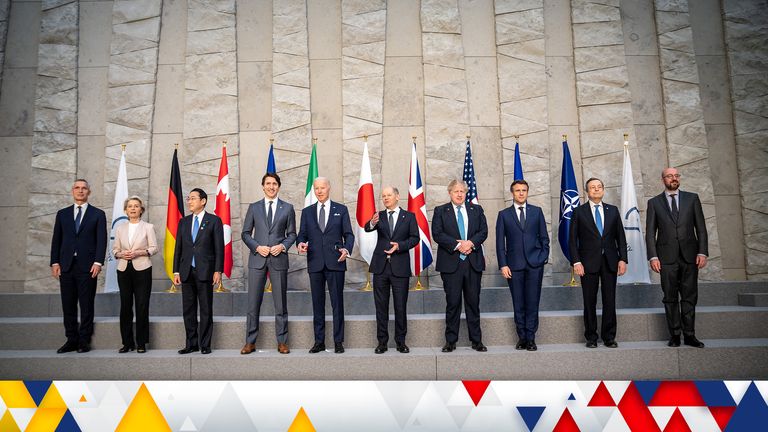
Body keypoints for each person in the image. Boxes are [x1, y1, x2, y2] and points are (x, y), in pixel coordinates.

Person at [646, 167, 708, 348]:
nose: (673, 178)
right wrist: (653, 257)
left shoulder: (692, 198)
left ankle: (690, 335)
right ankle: (674, 335)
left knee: (689, 297)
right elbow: (650, 233)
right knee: (670, 297)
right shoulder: (654, 203)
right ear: (663, 179)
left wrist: (702, 252)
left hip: (690, 257)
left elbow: (701, 228)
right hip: (666, 258)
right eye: (669, 176)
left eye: (676, 175)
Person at [297, 177, 355, 354]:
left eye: (322, 188)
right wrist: (300, 244)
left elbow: (349, 235)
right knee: (317, 304)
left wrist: (347, 249)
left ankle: (338, 341)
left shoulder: (341, 209)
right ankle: (319, 341)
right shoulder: (307, 212)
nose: (319, 191)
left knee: (337, 303)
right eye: (316, 188)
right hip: (315, 262)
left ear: (329, 188)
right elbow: (302, 235)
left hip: (336, 262)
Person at [241, 173, 297, 355]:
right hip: (258, 259)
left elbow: (292, 235)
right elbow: (246, 233)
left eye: (274, 184)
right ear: (263, 186)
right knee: (252, 304)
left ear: (279, 186)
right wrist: (257, 247)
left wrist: (282, 246)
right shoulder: (254, 207)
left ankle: (282, 341)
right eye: (268, 183)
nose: (271, 187)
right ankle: (250, 342)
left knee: (280, 304)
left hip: (278, 259)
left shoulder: (288, 208)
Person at [569, 177, 627, 348]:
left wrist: (623, 259)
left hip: (610, 261)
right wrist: (576, 262)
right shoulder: (579, 212)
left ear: (603, 189)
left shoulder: (613, 211)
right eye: (592, 187)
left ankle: (609, 337)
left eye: (599, 187)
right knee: (589, 301)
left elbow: (620, 238)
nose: (596, 190)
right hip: (587, 263)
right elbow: (572, 241)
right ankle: (591, 337)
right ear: (587, 191)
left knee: (610, 300)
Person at [431, 179, 488, 353]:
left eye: (462, 191)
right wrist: (458, 246)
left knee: (473, 303)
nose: (459, 194)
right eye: (456, 191)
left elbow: (483, 231)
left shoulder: (476, 209)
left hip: (472, 263)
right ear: (450, 193)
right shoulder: (441, 211)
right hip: (451, 264)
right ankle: (450, 341)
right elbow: (437, 233)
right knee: (453, 303)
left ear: (466, 193)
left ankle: (476, 341)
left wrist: (470, 243)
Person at [50, 179, 107, 354]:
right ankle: (71, 339)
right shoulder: (62, 214)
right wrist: (54, 262)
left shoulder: (98, 214)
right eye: (77, 188)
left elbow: (101, 240)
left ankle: (84, 340)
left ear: (89, 192)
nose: (80, 191)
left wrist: (98, 262)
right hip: (66, 265)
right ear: (72, 191)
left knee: (86, 304)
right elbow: (56, 240)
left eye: (84, 188)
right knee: (68, 304)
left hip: (88, 267)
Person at [495, 180, 550, 351]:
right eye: (517, 190)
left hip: (535, 265)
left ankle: (531, 338)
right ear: (512, 193)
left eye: (524, 190)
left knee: (532, 302)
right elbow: (499, 243)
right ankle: (522, 337)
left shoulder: (537, 212)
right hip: (514, 265)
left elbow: (544, 238)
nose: (521, 193)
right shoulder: (504, 214)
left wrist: (542, 258)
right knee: (518, 302)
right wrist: (503, 265)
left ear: (527, 192)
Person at [364, 186, 419, 354]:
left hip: (400, 268)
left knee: (400, 307)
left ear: (397, 196)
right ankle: (382, 343)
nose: (386, 198)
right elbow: (367, 227)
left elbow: (415, 238)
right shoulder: (378, 216)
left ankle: (401, 342)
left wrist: (400, 246)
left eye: (389, 195)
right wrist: (372, 222)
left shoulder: (409, 217)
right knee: (381, 307)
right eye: (383, 196)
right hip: (380, 268)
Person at [173, 188, 224, 355]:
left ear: (203, 201)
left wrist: (218, 270)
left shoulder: (214, 221)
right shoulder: (184, 222)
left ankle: (205, 344)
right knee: (188, 310)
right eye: (188, 199)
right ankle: (191, 343)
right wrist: (176, 271)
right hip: (186, 271)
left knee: (205, 309)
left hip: (205, 271)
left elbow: (219, 248)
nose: (189, 201)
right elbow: (178, 248)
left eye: (193, 198)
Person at [112, 196, 158, 353]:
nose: (132, 208)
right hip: (124, 269)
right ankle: (127, 342)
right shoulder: (120, 229)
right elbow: (115, 250)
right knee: (125, 306)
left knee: (141, 306)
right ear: (125, 210)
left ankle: (141, 343)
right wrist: (120, 254)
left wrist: (140, 252)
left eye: (136, 206)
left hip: (143, 269)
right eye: (130, 206)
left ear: (141, 209)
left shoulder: (148, 227)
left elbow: (154, 248)